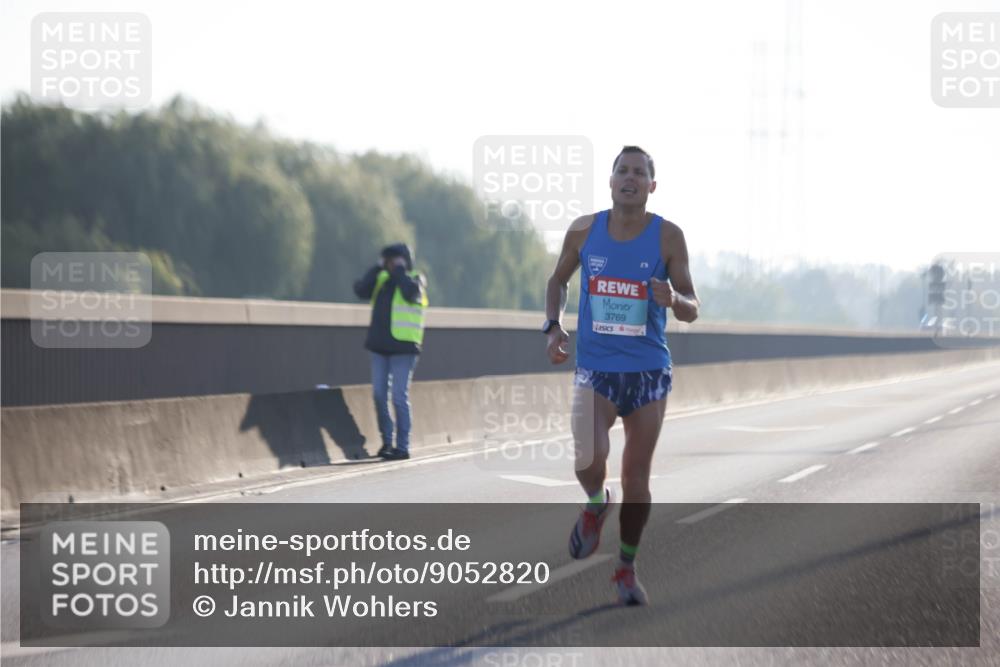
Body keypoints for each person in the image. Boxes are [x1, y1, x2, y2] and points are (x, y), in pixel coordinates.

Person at [542, 146, 699, 605]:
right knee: (589, 457)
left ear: (652, 185)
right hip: (596, 369)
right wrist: (553, 326)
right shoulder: (584, 230)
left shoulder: (668, 237)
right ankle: (595, 504)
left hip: (648, 373)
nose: (630, 178)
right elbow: (558, 281)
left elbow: (692, 307)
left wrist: (672, 298)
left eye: (639, 173)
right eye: (622, 171)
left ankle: (626, 568)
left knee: (637, 480)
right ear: (610, 181)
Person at [353, 243, 428, 461]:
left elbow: (409, 293)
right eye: (388, 260)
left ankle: (402, 446)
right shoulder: (382, 280)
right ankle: (387, 441)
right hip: (380, 347)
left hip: (404, 348)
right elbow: (360, 290)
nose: (391, 264)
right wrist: (377, 268)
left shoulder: (415, 279)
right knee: (378, 394)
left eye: (395, 259)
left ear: (405, 260)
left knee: (398, 396)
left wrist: (400, 271)